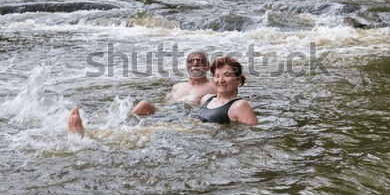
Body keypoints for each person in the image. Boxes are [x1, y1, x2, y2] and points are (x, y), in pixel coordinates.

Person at [67, 50, 216, 136]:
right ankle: (109, 127)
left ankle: (100, 134)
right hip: (169, 111)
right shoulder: (178, 86)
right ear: (186, 66)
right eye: (191, 61)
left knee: (145, 128)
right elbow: (167, 103)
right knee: (144, 105)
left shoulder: (214, 85)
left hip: (187, 117)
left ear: (208, 66)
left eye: (200, 61)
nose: (195, 64)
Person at [196, 56, 258, 125]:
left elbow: (254, 131)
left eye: (227, 75)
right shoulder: (206, 99)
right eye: (217, 76)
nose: (220, 80)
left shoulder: (240, 106)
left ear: (238, 80)